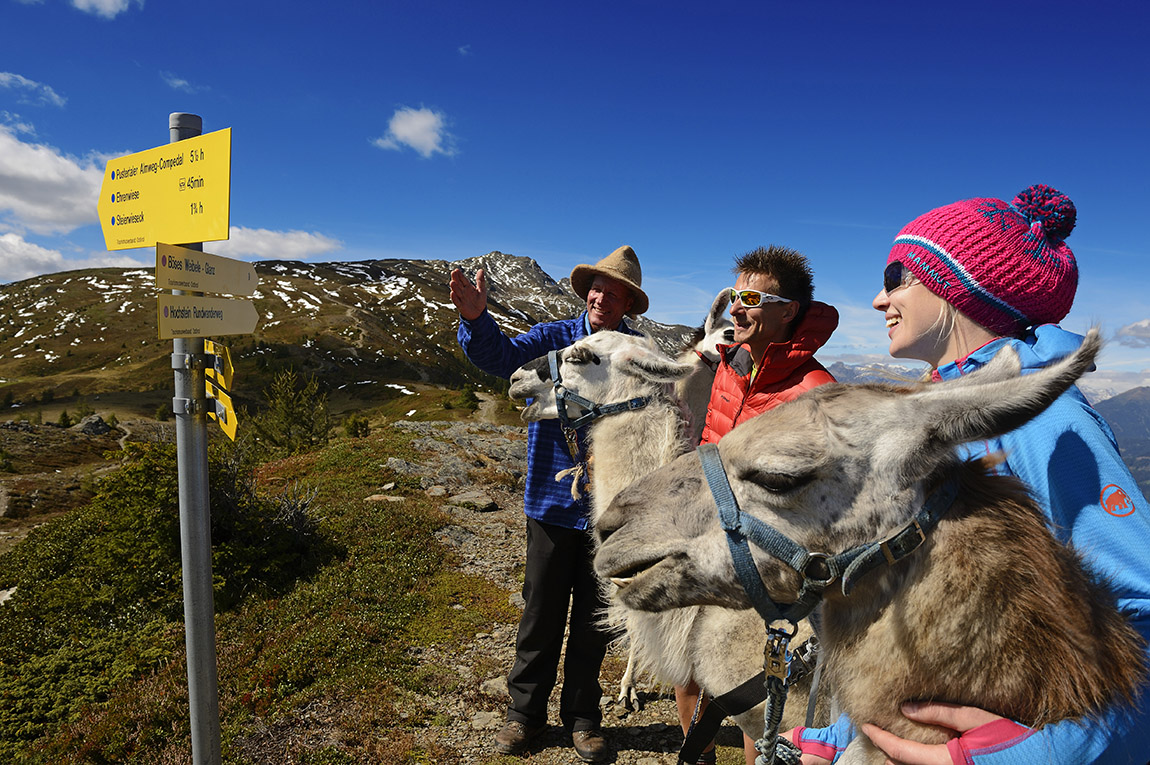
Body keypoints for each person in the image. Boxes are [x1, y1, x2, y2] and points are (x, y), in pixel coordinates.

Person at [787, 184, 1150, 764]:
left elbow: (1139, 610)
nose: (878, 301)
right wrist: (833, 739)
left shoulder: (1044, 420)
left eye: (895, 276)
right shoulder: (935, 410)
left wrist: (1027, 756)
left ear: (956, 287)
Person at [450, 245, 650, 763]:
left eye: (615, 291)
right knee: (540, 614)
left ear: (629, 301)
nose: (603, 296)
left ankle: (583, 719)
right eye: (597, 287)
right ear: (587, 292)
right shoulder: (556, 337)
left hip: (610, 511)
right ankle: (524, 716)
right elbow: (500, 358)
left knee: (592, 620)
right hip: (550, 502)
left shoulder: (634, 352)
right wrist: (476, 320)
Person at [680, 245, 839, 765]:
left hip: (764, 562)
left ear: (787, 309)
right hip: (704, 535)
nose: (736, 309)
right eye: (734, 297)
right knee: (688, 666)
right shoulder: (731, 363)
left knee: (755, 681)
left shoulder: (815, 390)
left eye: (750, 298)